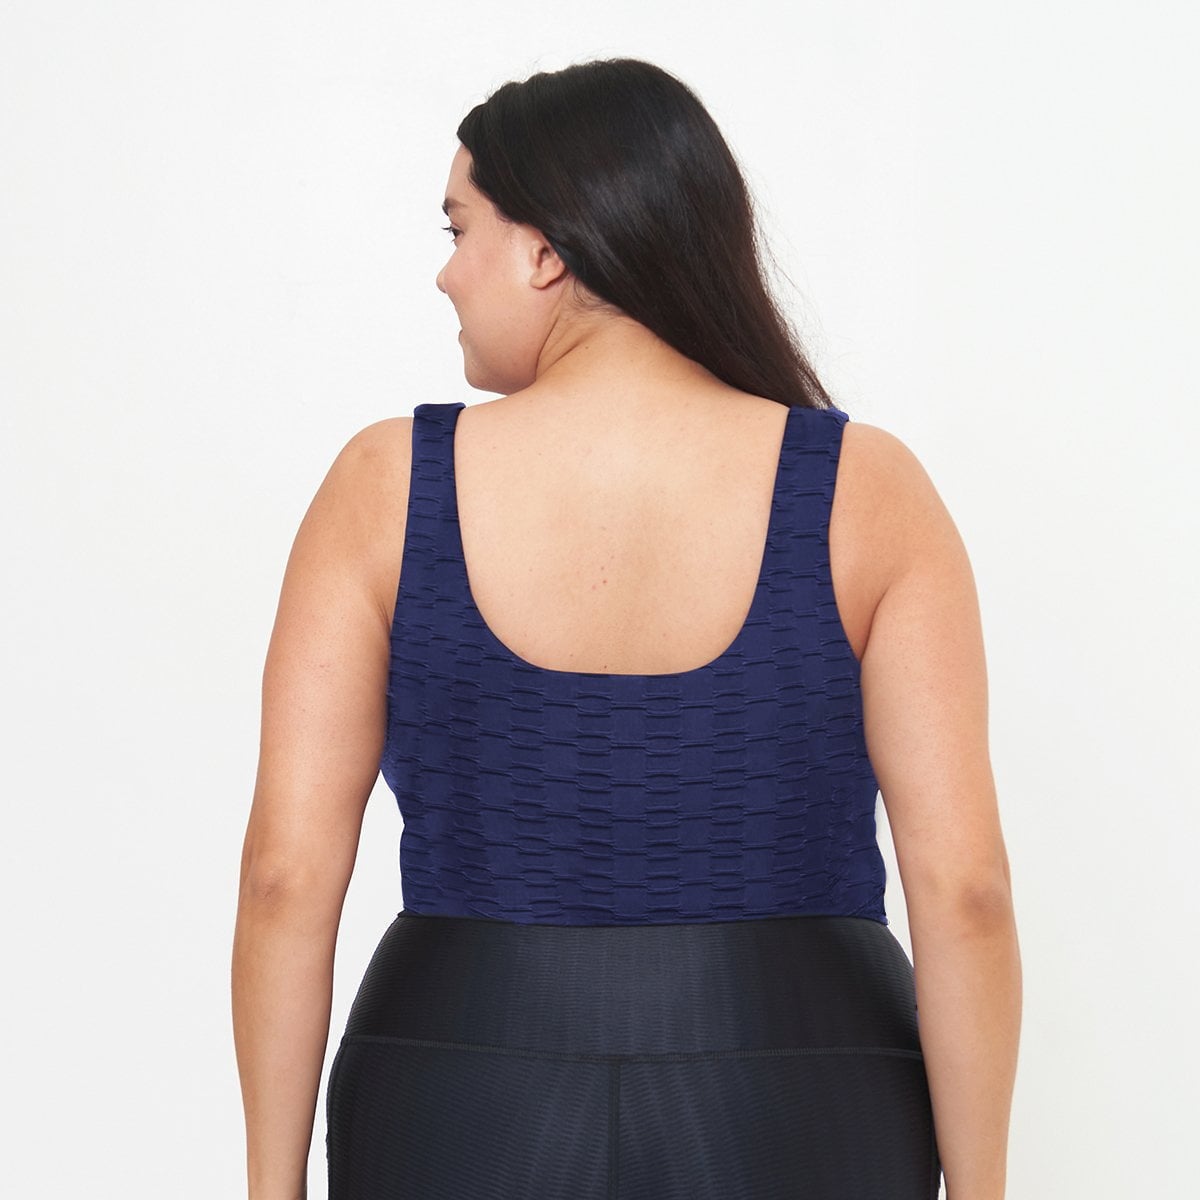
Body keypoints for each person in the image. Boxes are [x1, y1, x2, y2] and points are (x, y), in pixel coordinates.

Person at [232, 57, 1022, 1200]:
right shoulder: (866, 492)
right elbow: (966, 890)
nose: (445, 274)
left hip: (462, 1094)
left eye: (459, 228)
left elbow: (284, 876)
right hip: (800, 1096)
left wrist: (270, 1188)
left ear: (547, 252)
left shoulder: (384, 489)